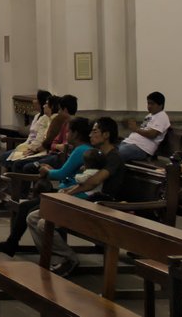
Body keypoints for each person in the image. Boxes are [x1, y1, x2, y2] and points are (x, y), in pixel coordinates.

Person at [28, 117, 126, 276]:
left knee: (44, 223)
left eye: (95, 131)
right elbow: (83, 180)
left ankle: (69, 259)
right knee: (32, 218)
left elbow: (94, 181)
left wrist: (68, 194)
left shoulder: (113, 157)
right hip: (85, 202)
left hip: (102, 208)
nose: (90, 135)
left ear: (106, 135)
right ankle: (58, 258)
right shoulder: (97, 154)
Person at [0, 116, 92, 256]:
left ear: (76, 134)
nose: (66, 134)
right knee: (25, 207)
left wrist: (47, 171)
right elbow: (67, 172)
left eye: (68, 131)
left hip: (70, 196)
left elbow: (61, 174)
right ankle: (12, 244)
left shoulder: (80, 149)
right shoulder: (82, 149)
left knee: (29, 209)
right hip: (65, 193)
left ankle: (49, 253)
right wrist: (50, 169)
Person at [0, 90, 51, 164]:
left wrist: (31, 149)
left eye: (36, 99)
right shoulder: (37, 116)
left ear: (41, 102)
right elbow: (30, 136)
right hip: (28, 145)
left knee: (13, 160)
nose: (34, 101)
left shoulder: (46, 119)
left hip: (36, 149)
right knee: (4, 156)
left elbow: (40, 139)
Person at [118, 91, 170, 161]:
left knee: (115, 155)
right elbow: (143, 129)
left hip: (142, 148)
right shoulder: (149, 116)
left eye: (152, 104)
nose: (149, 106)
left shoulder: (162, 116)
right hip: (131, 143)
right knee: (109, 151)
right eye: (148, 103)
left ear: (160, 105)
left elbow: (152, 134)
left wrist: (135, 128)